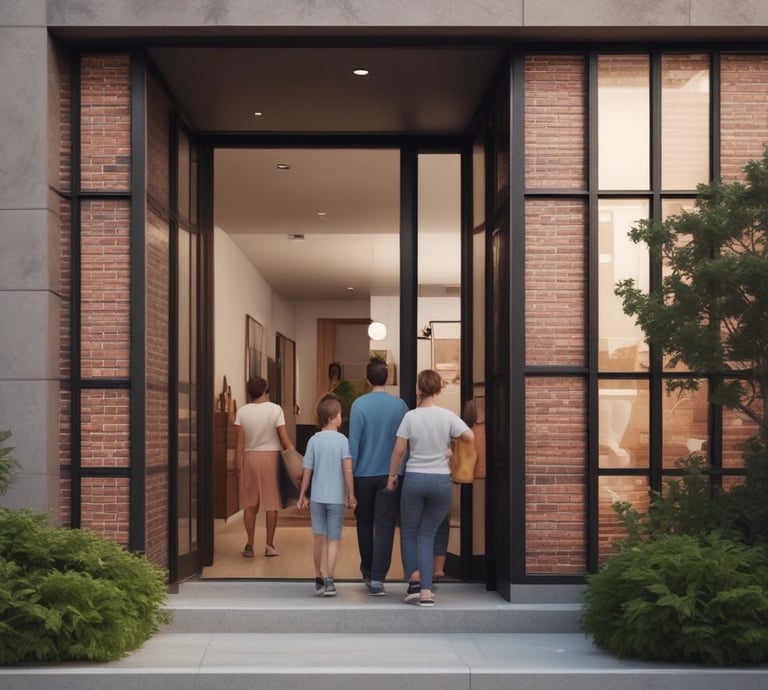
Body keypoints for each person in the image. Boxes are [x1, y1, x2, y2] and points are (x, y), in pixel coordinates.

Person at [386, 369, 474, 607]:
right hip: (441, 481)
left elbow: (399, 450)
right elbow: (470, 436)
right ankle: (426, 591)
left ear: (419, 388)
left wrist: (392, 476)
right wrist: (451, 449)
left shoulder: (411, 417)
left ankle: (415, 582)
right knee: (427, 534)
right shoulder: (448, 416)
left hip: (415, 479)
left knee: (409, 531)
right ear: (438, 389)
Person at [348, 359, 409, 596]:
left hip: (363, 474)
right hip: (391, 474)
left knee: (364, 522)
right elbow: (404, 444)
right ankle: (378, 579)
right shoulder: (400, 406)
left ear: (367, 379)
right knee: (384, 525)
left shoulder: (359, 405)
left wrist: (349, 482)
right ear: (388, 378)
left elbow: (353, 444)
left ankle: (366, 570)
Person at [297, 394, 357, 597]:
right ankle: (330, 581)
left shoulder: (314, 440)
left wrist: (302, 494)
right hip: (336, 499)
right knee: (333, 540)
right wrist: (351, 494)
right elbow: (347, 470)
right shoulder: (342, 440)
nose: (341, 418)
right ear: (333, 418)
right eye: (340, 414)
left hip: (317, 498)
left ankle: (317, 575)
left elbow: (307, 469)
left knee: (318, 538)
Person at [234, 377, 296, 558]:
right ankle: (269, 546)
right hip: (271, 457)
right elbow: (284, 439)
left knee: (249, 504)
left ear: (249, 393)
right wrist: (295, 457)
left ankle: (250, 545)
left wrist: (238, 463)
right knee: (272, 504)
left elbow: (240, 441)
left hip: (250, 458)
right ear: (265, 391)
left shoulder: (242, 411)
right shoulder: (275, 409)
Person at [326, 361, 357, 436]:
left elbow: (349, 401)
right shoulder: (326, 385)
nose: (334, 373)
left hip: (343, 419)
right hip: (330, 418)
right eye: (332, 370)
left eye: (336, 370)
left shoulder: (345, 386)